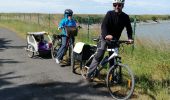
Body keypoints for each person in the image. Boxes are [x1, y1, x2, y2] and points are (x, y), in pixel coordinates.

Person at [85, 0, 134, 81]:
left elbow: (129, 28)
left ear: (123, 6)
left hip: (115, 40)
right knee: (100, 54)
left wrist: (130, 38)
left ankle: (111, 77)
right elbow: (104, 26)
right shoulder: (109, 14)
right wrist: (106, 35)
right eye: (115, 5)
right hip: (104, 37)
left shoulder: (125, 17)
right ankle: (89, 74)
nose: (117, 7)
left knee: (113, 58)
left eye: (119, 5)